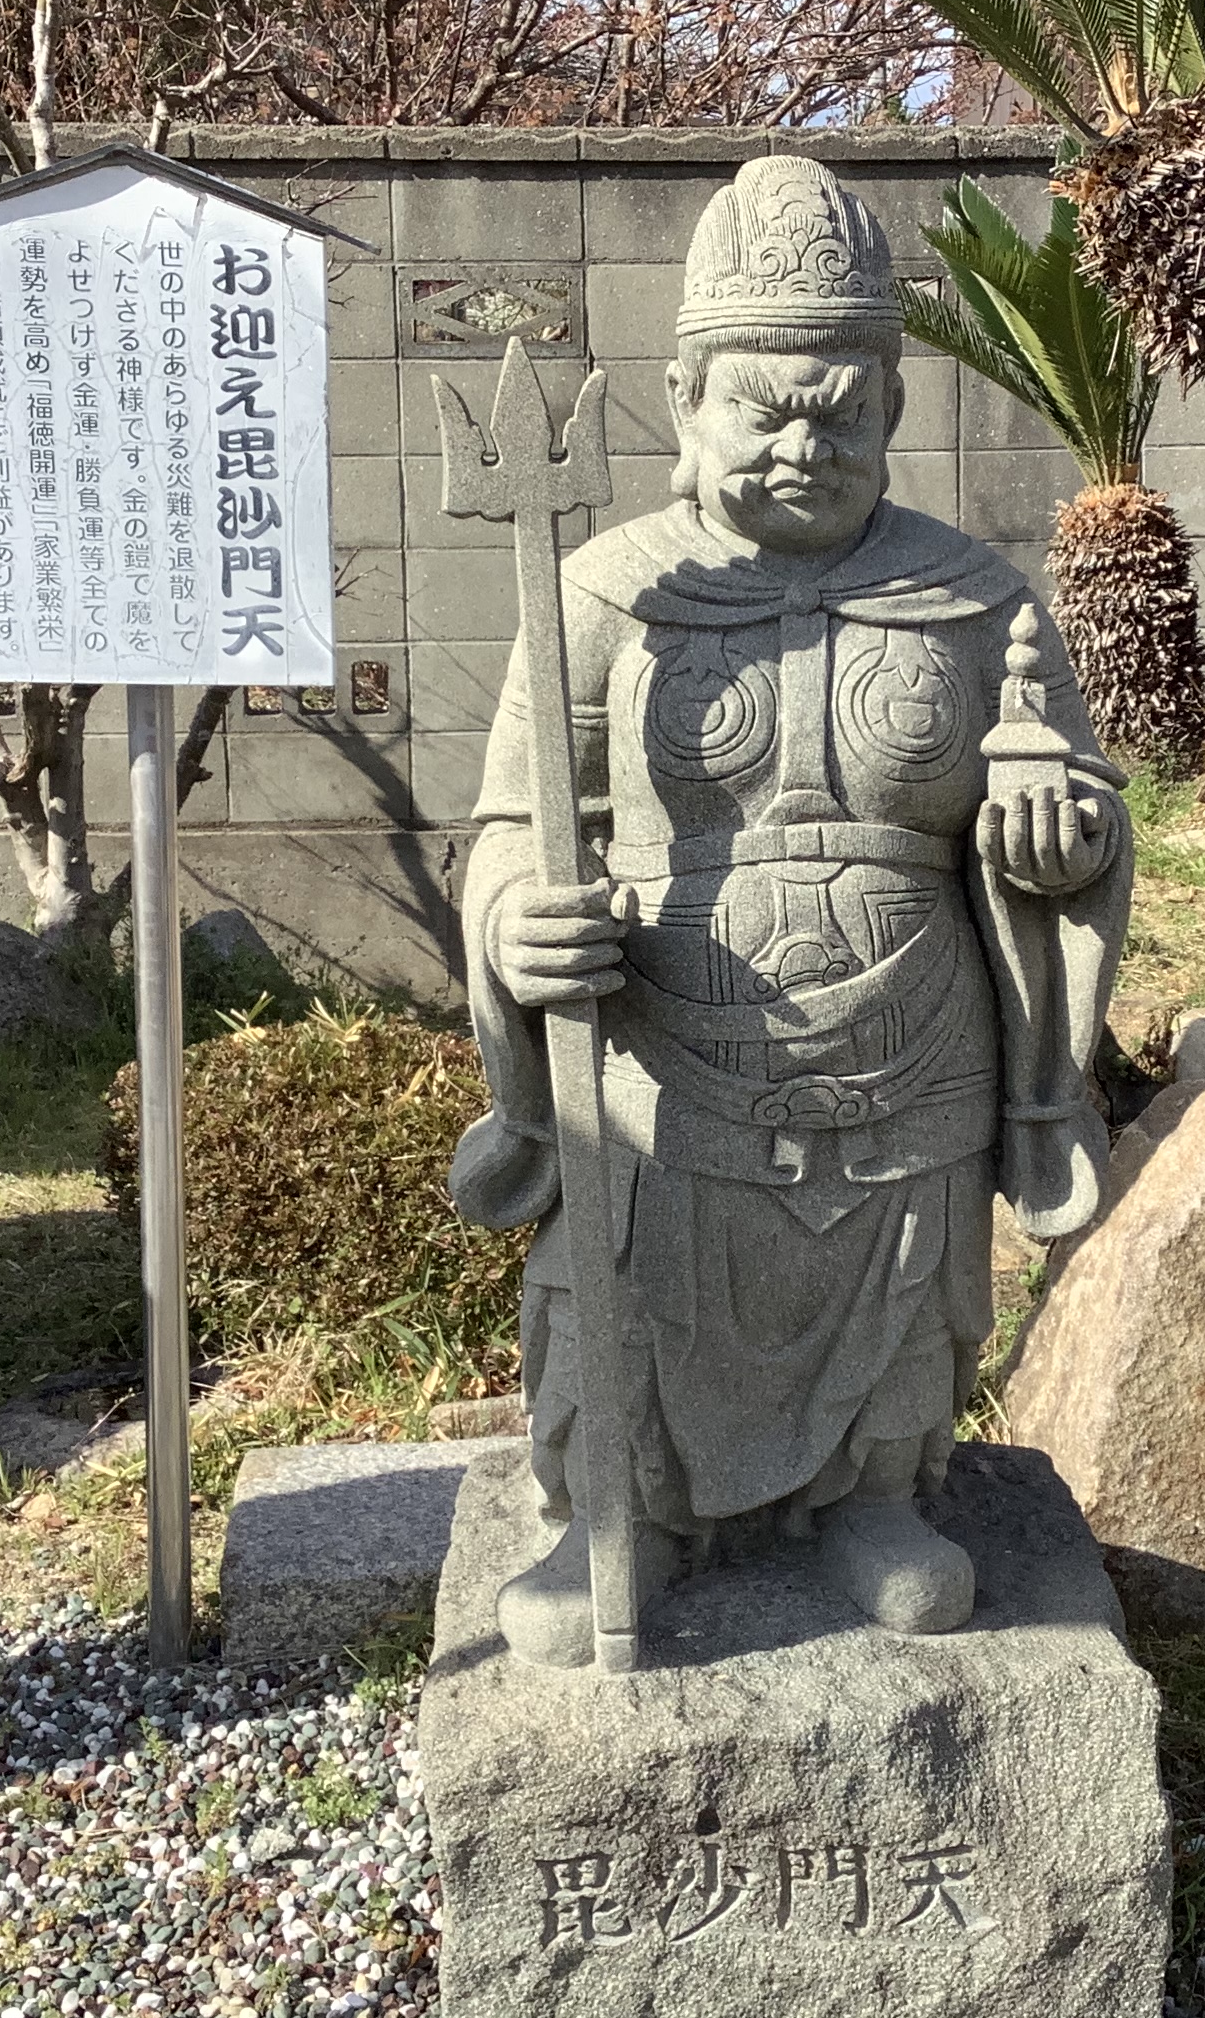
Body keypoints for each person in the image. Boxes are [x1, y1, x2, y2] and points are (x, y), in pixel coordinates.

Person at [448, 156, 1131, 1665]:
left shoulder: (979, 601)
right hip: (662, 1044)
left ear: (893, 405)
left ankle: (872, 1500)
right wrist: (514, 930)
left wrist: (1059, 844)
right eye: (764, 409)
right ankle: (630, 1508)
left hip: (910, 1035)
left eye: (843, 410)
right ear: (686, 401)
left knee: (894, 1264)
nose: (805, 445)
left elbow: (1076, 806)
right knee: (639, 1267)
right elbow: (509, 827)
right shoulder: (604, 593)